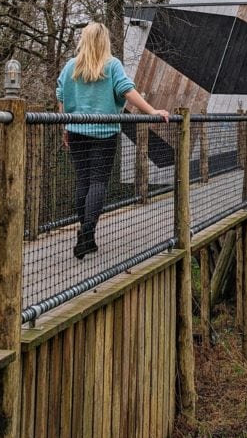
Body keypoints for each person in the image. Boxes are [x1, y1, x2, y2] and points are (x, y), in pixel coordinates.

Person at [56, 22, 169, 260]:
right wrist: (151, 111)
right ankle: (86, 234)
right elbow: (127, 91)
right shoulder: (112, 65)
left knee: (83, 182)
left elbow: (61, 97)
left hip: (76, 131)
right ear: (105, 41)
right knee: (98, 182)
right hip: (104, 134)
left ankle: (88, 238)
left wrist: (65, 126)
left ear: (83, 40)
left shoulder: (70, 67)